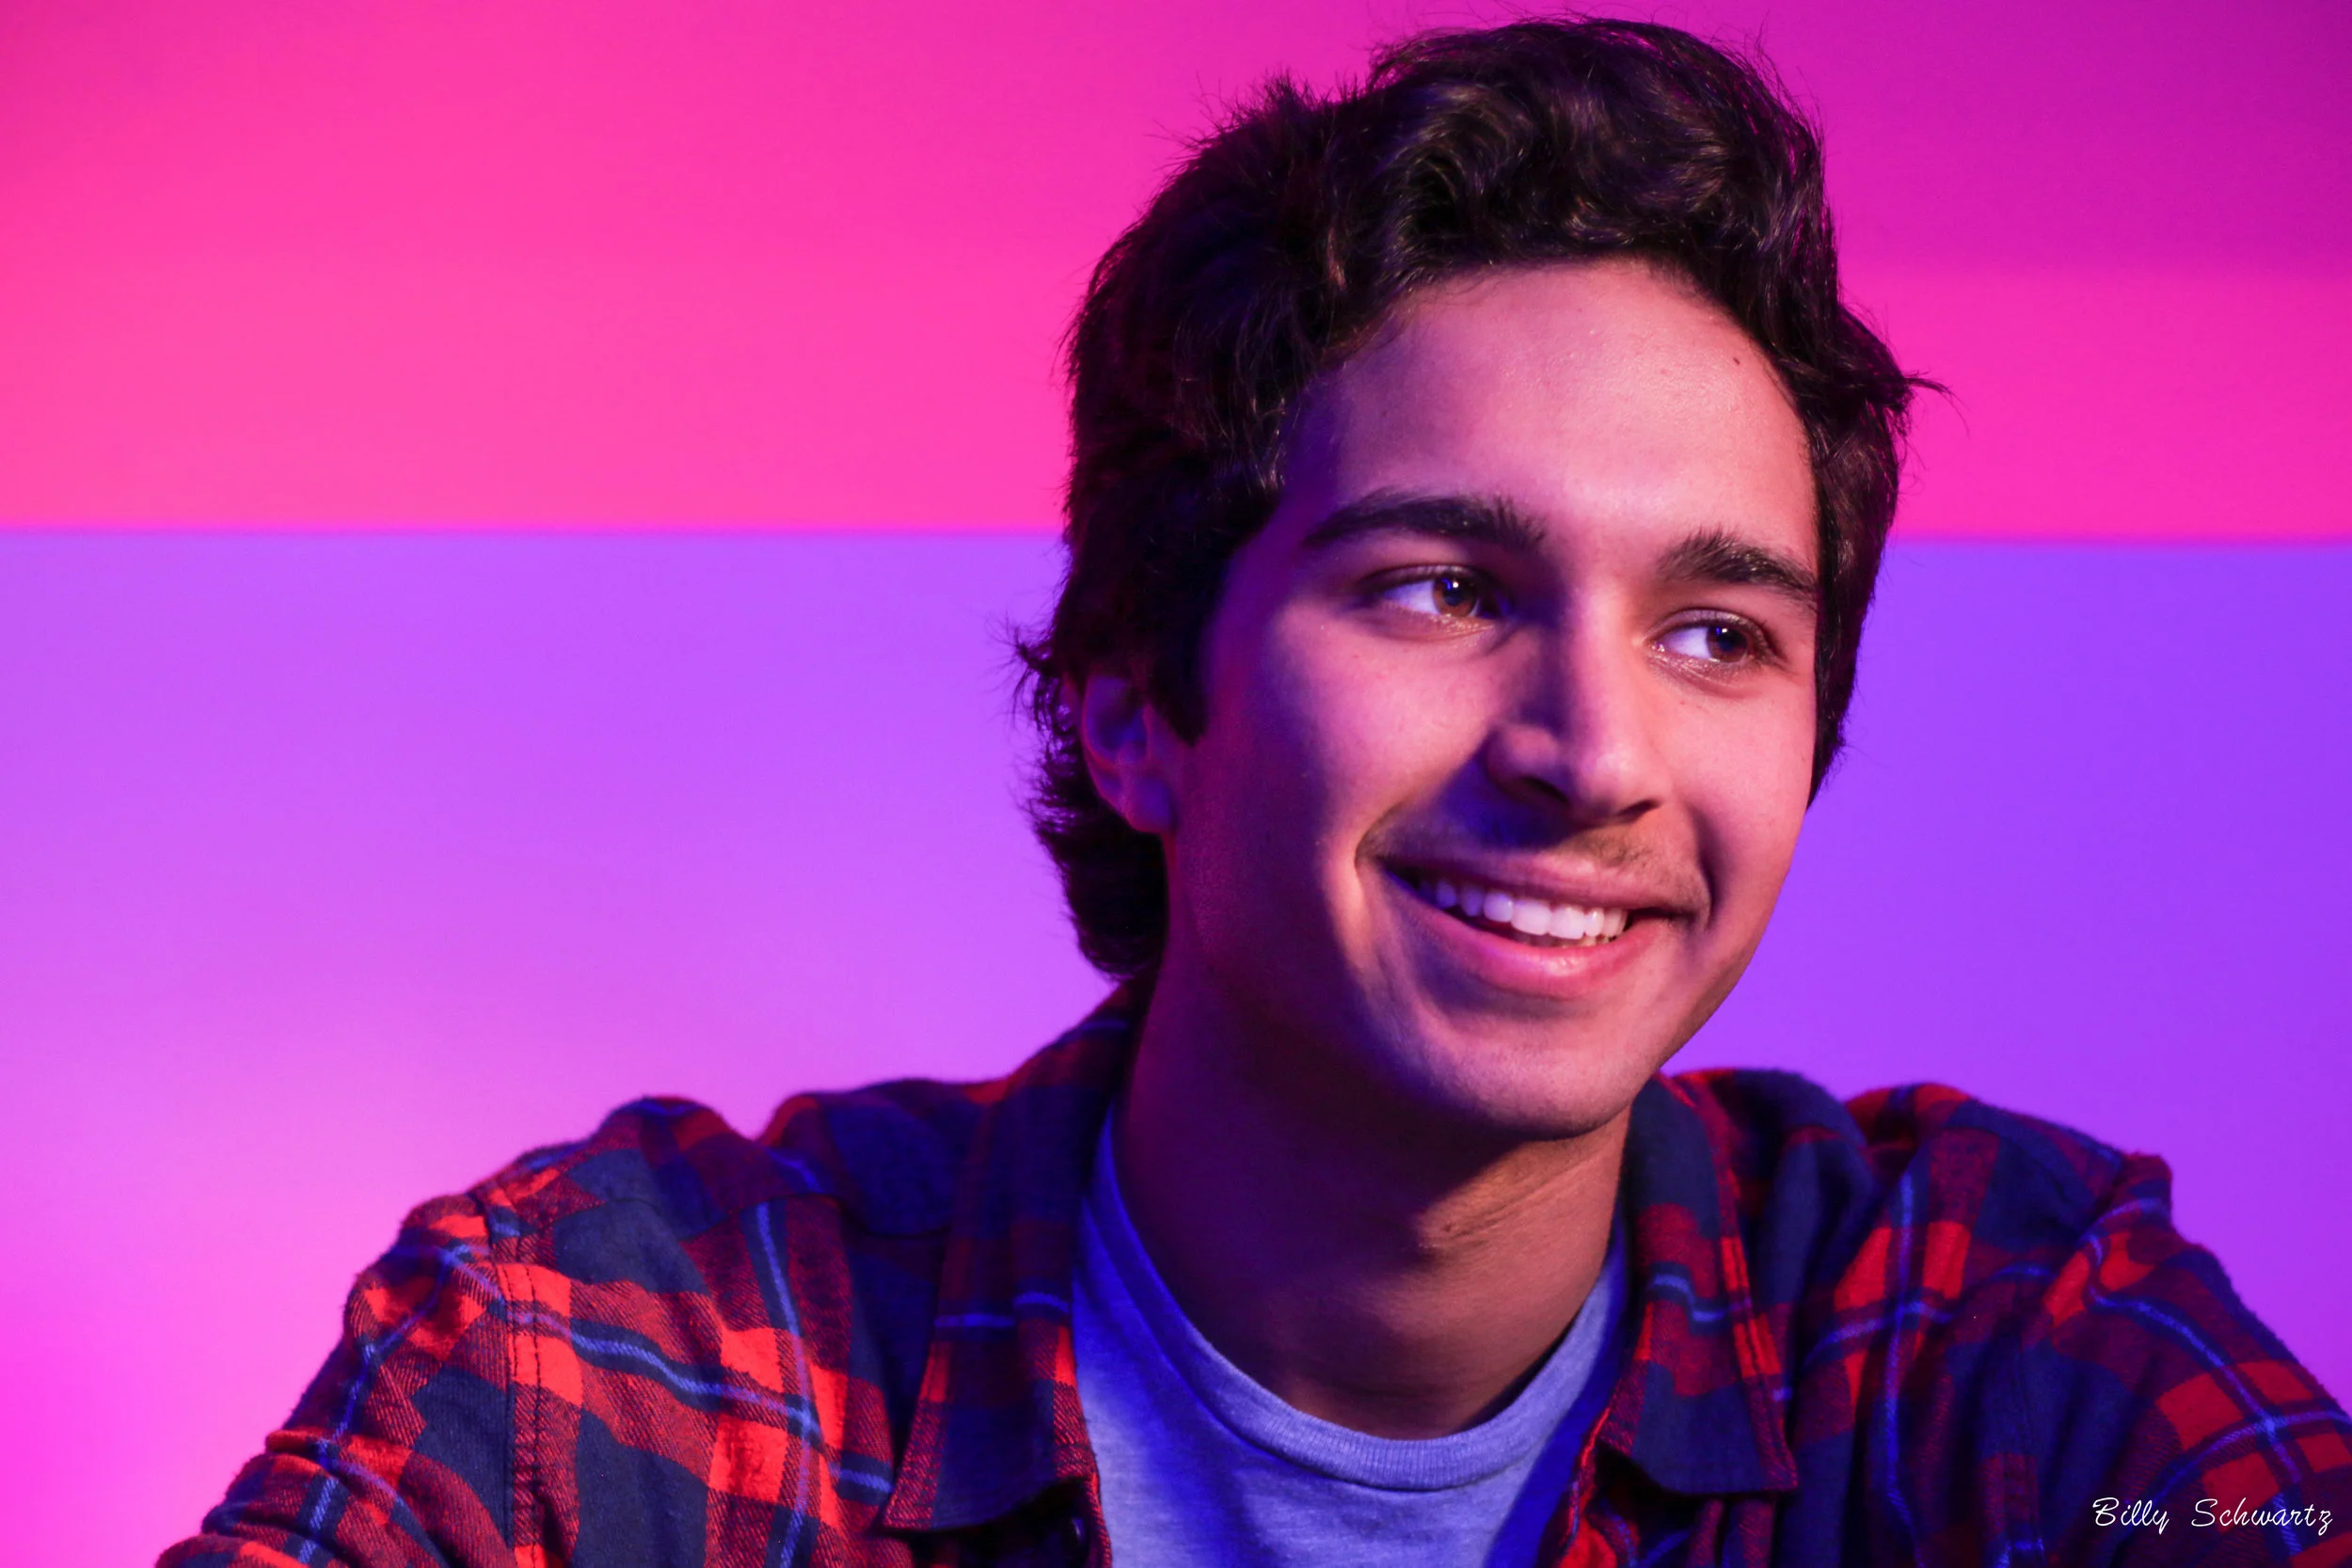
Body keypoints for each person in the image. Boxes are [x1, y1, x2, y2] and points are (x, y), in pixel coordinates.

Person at [163, 17, 2349, 1568]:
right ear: (1137, 702)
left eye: (1713, 633)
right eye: (1440, 588)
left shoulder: (1996, 1339)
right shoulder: (630, 1347)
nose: (1594, 753)